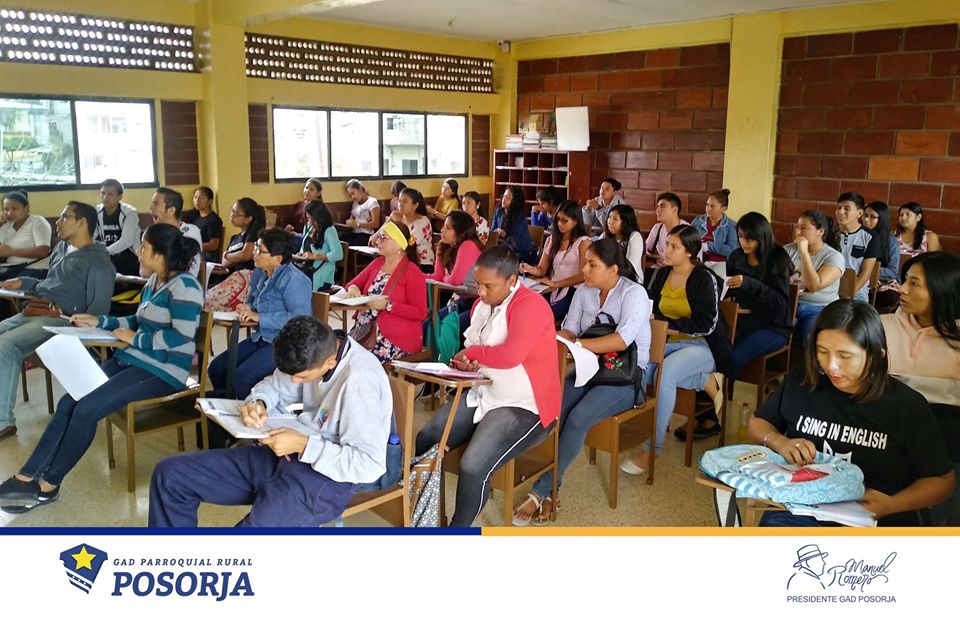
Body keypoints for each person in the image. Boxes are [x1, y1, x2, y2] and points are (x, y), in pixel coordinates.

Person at [0, 224, 202, 512]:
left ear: (160, 254)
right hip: (134, 359)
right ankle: (26, 475)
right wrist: (100, 322)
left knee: (87, 409)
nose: (139, 252)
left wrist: (136, 339)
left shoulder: (186, 287)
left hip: (164, 370)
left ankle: (49, 485)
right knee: (69, 401)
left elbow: (181, 338)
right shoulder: (155, 282)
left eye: (144, 247)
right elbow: (137, 320)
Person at [148, 316, 391, 527]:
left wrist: (304, 445)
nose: (294, 383)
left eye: (302, 377)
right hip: (284, 453)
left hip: (325, 479)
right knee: (170, 476)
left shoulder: (360, 381)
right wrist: (259, 402)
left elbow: (369, 464)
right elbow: (274, 385)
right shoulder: (310, 350)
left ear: (330, 363)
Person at [750, 299, 955, 526]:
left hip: (875, 518)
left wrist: (892, 504)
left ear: (877, 354)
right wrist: (779, 441)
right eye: (822, 351)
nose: (831, 366)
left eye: (845, 356)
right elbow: (759, 421)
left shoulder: (906, 406)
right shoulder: (802, 382)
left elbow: (942, 481)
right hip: (800, 510)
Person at [415, 246, 560, 527]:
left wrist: (474, 355)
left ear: (511, 280)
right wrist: (468, 363)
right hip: (483, 393)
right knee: (427, 438)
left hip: (524, 405)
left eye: (488, 286)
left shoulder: (530, 305)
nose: (480, 292)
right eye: (478, 283)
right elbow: (478, 349)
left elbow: (511, 355)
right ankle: (426, 516)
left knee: (473, 465)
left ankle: (459, 530)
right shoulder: (483, 305)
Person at [513, 238, 652, 524]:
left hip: (625, 376)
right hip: (589, 367)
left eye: (592, 265)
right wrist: (552, 340)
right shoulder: (584, 291)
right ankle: (550, 489)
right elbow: (570, 329)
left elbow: (622, 340)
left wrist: (578, 345)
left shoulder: (633, 293)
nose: (584, 270)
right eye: (585, 263)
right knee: (553, 408)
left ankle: (542, 490)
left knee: (578, 418)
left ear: (613, 269)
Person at [0, 201, 115, 440]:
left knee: (7, 346)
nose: (57, 222)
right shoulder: (62, 248)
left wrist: (75, 327)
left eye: (64, 217)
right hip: (37, 311)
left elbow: (99, 312)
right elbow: (49, 284)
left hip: (61, 322)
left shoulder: (98, 262)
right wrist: (24, 282)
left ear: (82, 222)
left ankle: (3, 422)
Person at [621, 225, 730, 474]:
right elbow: (648, 307)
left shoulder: (704, 278)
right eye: (667, 244)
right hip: (669, 343)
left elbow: (708, 324)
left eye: (674, 246)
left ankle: (653, 448)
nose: (666, 250)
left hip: (703, 346)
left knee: (666, 372)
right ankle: (703, 381)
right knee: (642, 368)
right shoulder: (661, 274)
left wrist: (667, 325)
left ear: (690, 252)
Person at [679, 212, 795, 440]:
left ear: (762, 237)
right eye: (741, 237)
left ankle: (709, 415)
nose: (744, 243)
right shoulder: (735, 257)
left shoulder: (777, 258)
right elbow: (734, 293)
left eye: (749, 238)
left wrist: (748, 283)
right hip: (744, 320)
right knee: (713, 348)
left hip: (774, 326)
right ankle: (704, 405)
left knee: (732, 356)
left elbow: (781, 302)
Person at [881, 252, 960, 524]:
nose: (902, 289)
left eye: (914, 283)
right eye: (905, 280)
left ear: (942, 290)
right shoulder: (881, 327)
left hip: (947, 443)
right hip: (885, 434)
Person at [208, 228, 312, 399]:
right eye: (256, 246)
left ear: (277, 259)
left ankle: (244, 409)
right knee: (217, 368)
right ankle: (225, 404)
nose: (254, 252)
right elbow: (253, 300)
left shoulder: (295, 280)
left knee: (240, 379)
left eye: (260, 250)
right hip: (262, 337)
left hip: (287, 345)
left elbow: (299, 319)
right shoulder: (260, 272)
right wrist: (248, 307)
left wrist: (259, 317)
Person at [346, 220, 427, 361]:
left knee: (360, 362)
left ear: (398, 245)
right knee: (342, 357)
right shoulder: (377, 263)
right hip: (366, 330)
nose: (378, 242)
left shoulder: (412, 272)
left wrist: (389, 306)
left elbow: (420, 312)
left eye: (383, 238)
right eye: (379, 237)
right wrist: (353, 288)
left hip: (394, 337)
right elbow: (352, 284)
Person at [519, 200, 591, 320]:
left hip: (573, 291)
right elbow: (541, 270)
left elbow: (583, 276)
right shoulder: (552, 239)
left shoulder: (583, 242)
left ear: (575, 222)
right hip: (552, 288)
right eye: (558, 219)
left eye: (564, 221)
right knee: (527, 307)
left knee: (543, 314)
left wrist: (555, 284)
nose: (559, 224)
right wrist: (529, 268)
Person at [784, 210, 845, 347]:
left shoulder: (834, 257)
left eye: (804, 228)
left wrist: (803, 252)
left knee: (811, 335)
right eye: (797, 227)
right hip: (789, 305)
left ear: (820, 232)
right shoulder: (788, 250)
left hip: (820, 309)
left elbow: (813, 286)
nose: (798, 232)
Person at [204, 198, 266, 311]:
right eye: (232, 210)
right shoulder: (234, 238)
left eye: (236, 213)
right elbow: (224, 263)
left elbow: (246, 255)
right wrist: (232, 257)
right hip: (230, 278)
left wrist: (227, 255)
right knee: (205, 298)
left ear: (248, 219)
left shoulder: (253, 234)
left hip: (245, 280)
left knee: (208, 303)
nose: (231, 215)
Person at [428, 210, 484, 334]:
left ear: (460, 232)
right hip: (464, 300)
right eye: (444, 226)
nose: (442, 230)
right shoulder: (444, 245)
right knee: (430, 324)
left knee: (446, 328)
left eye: (448, 228)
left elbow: (455, 280)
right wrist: (416, 275)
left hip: (481, 302)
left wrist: (445, 278)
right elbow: (438, 276)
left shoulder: (468, 245)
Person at [835, 192, 879, 303]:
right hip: (829, 289)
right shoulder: (829, 234)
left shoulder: (871, 237)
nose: (840, 212)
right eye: (839, 207)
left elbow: (866, 272)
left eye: (846, 208)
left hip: (857, 293)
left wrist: (849, 293)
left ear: (859, 213)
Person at [375, 187, 434, 272]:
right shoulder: (399, 218)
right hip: (402, 261)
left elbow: (407, 246)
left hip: (422, 264)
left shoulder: (422, 222)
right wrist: (389, 220)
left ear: (415, 205)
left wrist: (398, 223)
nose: (400, 205)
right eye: (399, 201)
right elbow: (378, 238)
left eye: (405, 201)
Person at [147, 187, 202, 277]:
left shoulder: (190, 231)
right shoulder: (156, 232)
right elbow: (144, 270)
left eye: (156, 203)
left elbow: (173, 268)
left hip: (180, 283)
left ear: (171, 210)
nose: (150, 208)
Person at [0, 190, 52, 281]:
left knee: (11, 285)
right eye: (6, 209)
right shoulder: (6, 225)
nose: (9, 213)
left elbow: (43, 251)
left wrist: (12, 252)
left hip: (35, 268)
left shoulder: (37, 221)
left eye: (14, 209)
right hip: (10, 269)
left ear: (27, 208)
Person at [94, 178, 141, 276]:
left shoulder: (129, 213)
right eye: (103, 193)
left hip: (129, 257)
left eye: (110, 194)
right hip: (107, 257)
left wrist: (105, 251)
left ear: (120, 197)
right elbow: (92, 236)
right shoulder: (96, 212)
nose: (105, 197)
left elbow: (127, 241)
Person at [296, 199, 342, 291]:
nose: (309, 222)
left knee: (298, 288)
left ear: (319, 218)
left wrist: (315, 256)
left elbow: (338, 254)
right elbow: (304, 246)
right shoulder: (308, 227)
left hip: (320, 275)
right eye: (308, 219)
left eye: (311, 219)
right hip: (306, 269)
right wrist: (301, 254)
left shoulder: (329, 230)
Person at [862, 201, 900, 309]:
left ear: (881, 219)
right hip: (857, 279)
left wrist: (868, 269)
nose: (866, 220)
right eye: (865, 215)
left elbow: (892, 271)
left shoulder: (890, 241)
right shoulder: (858, 236)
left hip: (882, 282)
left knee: (890, 296)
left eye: (872, 217)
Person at [691, 189, 738, 267]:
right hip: (696, 261)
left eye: (712, 206)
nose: (708, 208)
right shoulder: (697, 221)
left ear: (723, 209)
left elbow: (731, 250)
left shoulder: (731, 226)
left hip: (719, 263)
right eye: (707, 205)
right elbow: (688, 239)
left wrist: (708, 247)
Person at [644, 192, 690, 271]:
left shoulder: (687, 230)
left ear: (674, 210)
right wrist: (658, 258)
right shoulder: (657, 228)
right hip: (659, 270)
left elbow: (694, 259)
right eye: (657, 207)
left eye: (662, 206)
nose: (658, 210)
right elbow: (645, 251)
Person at [491, 186, 536, 265]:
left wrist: (505, 235)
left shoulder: (519, 216)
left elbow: (515, 239)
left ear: (515, 201)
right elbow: (492, 230)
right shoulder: (499, 212)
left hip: (523, 251)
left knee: (501, 261)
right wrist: (496, 232)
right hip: (505, 248)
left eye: (508, 197)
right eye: (504, 196)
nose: (504, 199)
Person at [604, 203, 644, 283]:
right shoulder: (606, 235)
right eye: (609, 217)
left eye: (615, 219)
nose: (610, 222)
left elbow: (630, 265)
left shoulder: (635, 236)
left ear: (625, 222)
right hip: (609, 277)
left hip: (630, 281)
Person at [183, 186, 224, 263]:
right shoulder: (194, 216)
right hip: (195, 253)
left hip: (208, 256)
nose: (197, 201)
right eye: (195, 197)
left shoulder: (214, 220)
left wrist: (192, 247)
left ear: (210, 201)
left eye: (202, 198)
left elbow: (213, 245)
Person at [342, 179, 380, 246]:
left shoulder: (372, 202)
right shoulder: (355, 204)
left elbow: (375, 224)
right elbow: (352, 218)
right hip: (355, 233)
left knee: (349, 244)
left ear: (360, 189)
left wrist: (358, 225)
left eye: (353, 193)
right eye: (350, 195)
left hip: (366, 235)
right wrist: (349, 222)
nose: (352, 197)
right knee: (339, 239)